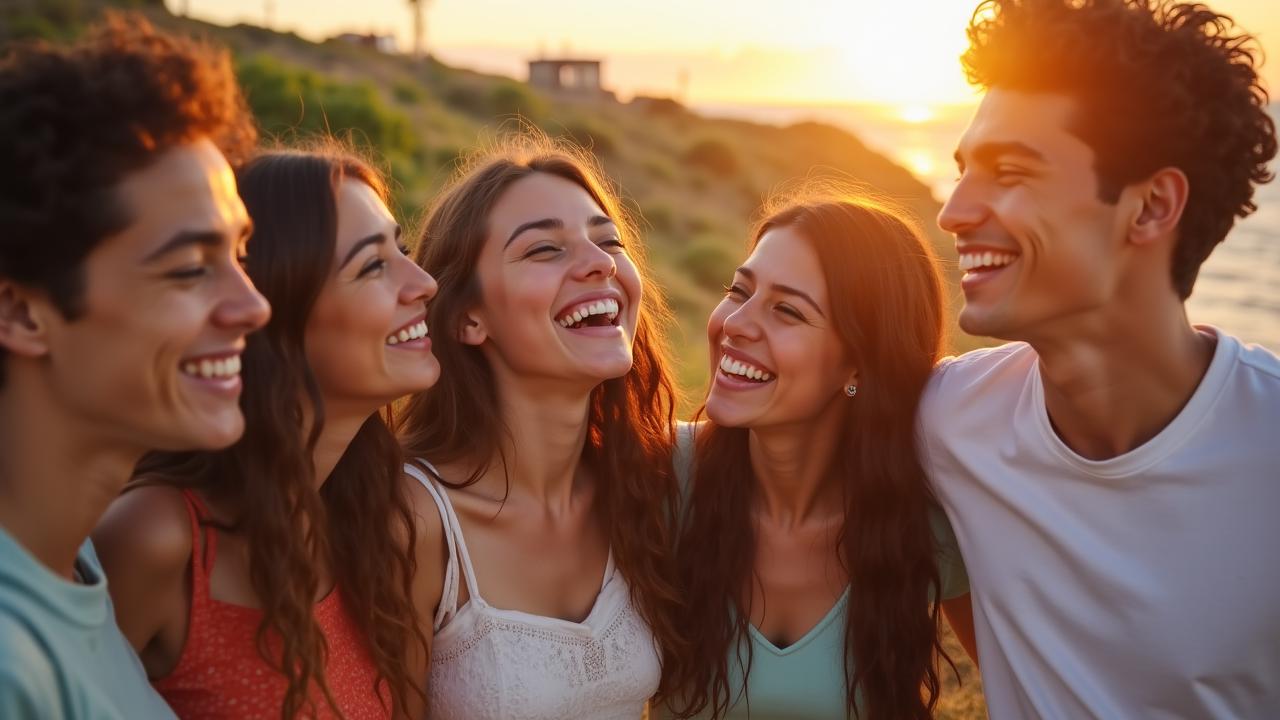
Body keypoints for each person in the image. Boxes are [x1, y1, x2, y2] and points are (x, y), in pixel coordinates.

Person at [922, 0, 1280, 717]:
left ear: (1150, 207)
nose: (953, 212)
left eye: (1009, 172)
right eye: (963, 171)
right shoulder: (945, 421)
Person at [92, 144, 439, 720]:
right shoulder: (160, 540)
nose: (423, 282)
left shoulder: (374, 527)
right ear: (270, 312)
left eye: (401, 250)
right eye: (373, 266)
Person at [0, 16, 270, 718]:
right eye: (188, 269)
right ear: (22, 312)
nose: (253, 306)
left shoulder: (72, 561)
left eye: (239, 255)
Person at [661, 184, 975, 720]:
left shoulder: (925, 527)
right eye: (738, 290)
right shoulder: (661, 477)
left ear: (859, 363)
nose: (734, 324)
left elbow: (1035, 686)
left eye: (786, 310)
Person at [396, 134, 683, 719]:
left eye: (609, 241)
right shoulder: (415, 517)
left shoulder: (649, 482)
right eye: (545, 249)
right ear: (468, 318)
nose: (601, 262)